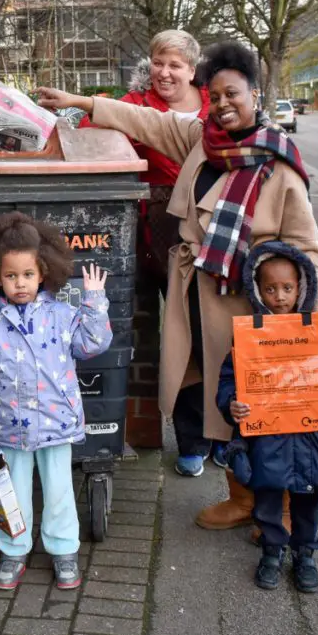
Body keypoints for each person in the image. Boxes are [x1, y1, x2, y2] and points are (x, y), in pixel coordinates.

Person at [35, 41, 318, 533]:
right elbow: (150, 123)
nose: (223, 104)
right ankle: (241, 498)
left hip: (252, 307)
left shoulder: (278, 165)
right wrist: (84, 103)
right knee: (216, 399)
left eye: (232, 94)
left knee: (263, 405)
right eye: (215, 94)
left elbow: (309, 252)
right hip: (195, 294)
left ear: (255, 94)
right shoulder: (205, 139)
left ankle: (279, 507)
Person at [81, 29, 214, 476]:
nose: (165, 72)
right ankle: (177, 438)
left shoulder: (215, 108)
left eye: (175, 64)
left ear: (193, 70)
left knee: (202, 338)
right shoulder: (137, 105)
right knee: (155, 341)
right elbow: (92, 134)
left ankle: (211, 436)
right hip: (149, 237)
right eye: (159, 62)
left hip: (205, 236)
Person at [0, 213, 112, 591]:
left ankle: (63, 549)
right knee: (12, 493)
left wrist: (94, 302)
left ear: (43, 272)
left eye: (27, 274)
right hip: (10, 427)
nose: (20, 283)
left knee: (59, 488)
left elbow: (93, 345)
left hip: (56, 423)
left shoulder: (64, 317)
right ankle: (14, 550)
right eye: (11, 276)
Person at [217, 241, 318, 592]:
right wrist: (232, 403)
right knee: (268, 498)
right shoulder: (249, 339)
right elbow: (229, 378)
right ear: (258, 291)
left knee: (309, 499)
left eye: (287, 288)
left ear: (301, 288)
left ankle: (305, 552)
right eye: (270, 288)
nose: (279, 296)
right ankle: (272, 551)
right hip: (268, 439)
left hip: (313, 439)